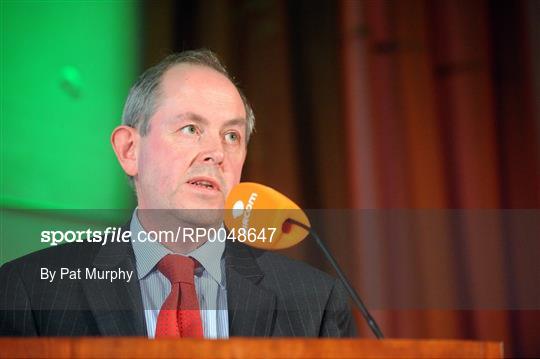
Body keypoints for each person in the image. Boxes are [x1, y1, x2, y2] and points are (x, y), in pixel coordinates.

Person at [0, 49, 356, 338]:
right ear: (129, 150)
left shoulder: (316, 302)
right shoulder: (29, 292)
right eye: (191, 128)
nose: (216, 152)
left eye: (232, 136)